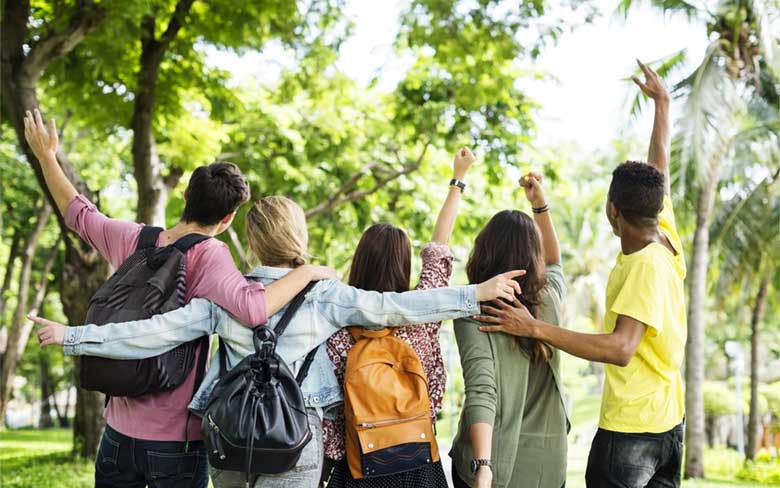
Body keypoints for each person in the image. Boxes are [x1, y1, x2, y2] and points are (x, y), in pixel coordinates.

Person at [30, 195, 525, 488]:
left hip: (229, 438)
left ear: (252, 241)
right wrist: (473, 294)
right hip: (297, 441)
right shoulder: (326, 295)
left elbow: (151, 334)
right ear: (299, 234)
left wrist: (73, 336)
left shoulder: (227, 296)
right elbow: (396, 307)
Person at [23, 109, 333, 488]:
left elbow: (79, 214)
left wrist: (47, 157)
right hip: (175, 443)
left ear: (185, 194)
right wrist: (309, 271)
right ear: (229, 218)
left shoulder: (132, 239)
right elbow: (254, 309)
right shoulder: (210, 255)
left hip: (117, 435)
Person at [474, 61, 686, 488]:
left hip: (632, 433)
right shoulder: (665, 237)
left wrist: (535, 327)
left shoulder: (645, 265)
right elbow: (657, 172)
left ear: (613, 211)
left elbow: (621, 347)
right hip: (669, 425)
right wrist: (663, 105)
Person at [324, 147, 476, 488]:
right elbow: (439, 250)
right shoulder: (421, 315)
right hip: (418, 463)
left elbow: (331, 415)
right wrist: (458, 179)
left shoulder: (335, 324)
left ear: (359, 261)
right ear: (403, 265)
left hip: (360, 466)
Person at [449, 171, 568, 488]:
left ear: (484, 249)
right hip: (546, 467)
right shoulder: (551, 299)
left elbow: (481, 390)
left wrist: (482, 466)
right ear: (534, 255)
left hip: (493, 467)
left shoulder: (474, 309)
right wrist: (540, 206)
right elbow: (555, 261)